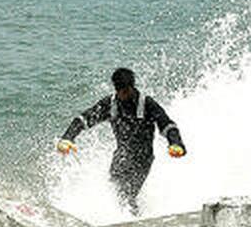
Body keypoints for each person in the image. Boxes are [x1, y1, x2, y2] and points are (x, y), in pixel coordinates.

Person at [57, 68, 186, 214]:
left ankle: (135, 223)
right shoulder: (111, 103)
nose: (122, 95)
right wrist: (67, 138)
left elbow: (167, 125)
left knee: (128, 196)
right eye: (119, 91)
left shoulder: (147, 103)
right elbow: (83, 119)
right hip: (121, 156)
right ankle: (119, 222)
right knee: (114, 193)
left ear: (132, 87)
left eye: (126, 91)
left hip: (143, 159)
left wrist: (175, 143)